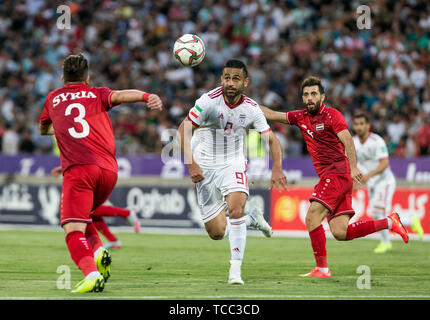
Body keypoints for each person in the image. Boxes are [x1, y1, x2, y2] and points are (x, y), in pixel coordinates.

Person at [260, 76, 408, 278]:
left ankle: (322, 269)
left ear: (322, 96)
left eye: (313, 94)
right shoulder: (300, 117)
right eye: (306, 95)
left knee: (312, 217)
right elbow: (272, 114)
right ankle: (390, 222)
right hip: (333, 177)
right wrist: (247, 104)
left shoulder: (332, 115)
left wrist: (354, 167)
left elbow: (347, 140)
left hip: (337, 174)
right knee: (340, 232)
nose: (310, 98)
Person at [39, 53, 162, 293]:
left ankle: (92, 274)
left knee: (72, 228)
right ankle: (98, 251)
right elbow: (122, 96)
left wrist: (61, 127)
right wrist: (148, 96)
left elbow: (44, 129)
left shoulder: (53, 98)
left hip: (79, 170)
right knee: (86, 216)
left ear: (63, 77)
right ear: (87, 77)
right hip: (108, 171)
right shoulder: (97, 93)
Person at [177, 59, 288, 285]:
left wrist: (277, 168)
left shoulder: (251, 109)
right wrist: (191, 164)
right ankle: (253, 220)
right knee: (217, 232)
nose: (230, 83)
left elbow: (273, 142)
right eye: (226, 78)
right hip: (205, 164)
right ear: (221, 79)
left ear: (245, 82)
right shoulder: (208, 101)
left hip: (233, 162)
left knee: (235, 210)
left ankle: (235, 272)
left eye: (236, 78)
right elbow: (183, 129)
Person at [352, 114, 424, 253]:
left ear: (368, 125)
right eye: (356, 124)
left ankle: (386, 242)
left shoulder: (376, 141)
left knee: (378, 212)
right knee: (377, 213)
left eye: (362, 123)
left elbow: (385, 163)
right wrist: (355, 183)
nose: (359, 127)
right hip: (372, 183)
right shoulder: (354, 142)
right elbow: (355, 164)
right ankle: (410, 220)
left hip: (384, 181)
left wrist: (368, 176)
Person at [51, 165, 141, 249]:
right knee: (91, 213)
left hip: (94, 173)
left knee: (90, 210)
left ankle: (127, 213)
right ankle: (113, 240)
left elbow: (82, 159)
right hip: (94, 172)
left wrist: (63, 167)